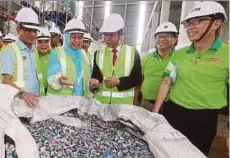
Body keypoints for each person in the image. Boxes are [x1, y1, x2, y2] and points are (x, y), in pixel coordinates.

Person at [153, 1, 229, 156]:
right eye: (188, 23)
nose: (190, 27)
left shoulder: (227, 54)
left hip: (204, 120)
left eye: (197, 21)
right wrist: (155, 112)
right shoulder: (179, 54)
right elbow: (166, 81)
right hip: (173, 112)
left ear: (216, 23)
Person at [90, 13, 142, 104]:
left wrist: (119, 82)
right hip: (101, 103)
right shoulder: (98, 53)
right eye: (105, 35)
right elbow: (96, 75)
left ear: (121, 33)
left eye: (111, 35)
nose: (107, 39)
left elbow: (137, 78)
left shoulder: (133, 53)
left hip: (123, 105)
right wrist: (95, 81)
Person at [0, 7, 40, 108]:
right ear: (19, 29)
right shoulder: (9, 50)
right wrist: (23, 94)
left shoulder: (34, 52)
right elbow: (6, 81)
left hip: (33, 102)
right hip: (16, 103)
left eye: (35, 31)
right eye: (28, 30)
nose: (32, 34)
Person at [134, 22, 178, 110]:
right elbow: (139, 80)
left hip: (168, 104)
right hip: (146, 102)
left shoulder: (178, 58)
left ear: (175, 39)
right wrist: (135, 99)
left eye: (166, 36)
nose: (161, 39)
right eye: (159, 36)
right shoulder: (147, 58)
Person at [47, 19, 91, 97]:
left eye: (80, 37)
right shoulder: (56, 53)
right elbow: (50, 78)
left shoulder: (85, 55)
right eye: (73, 37)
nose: (77, 41)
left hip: (81, 103)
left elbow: (88, 78)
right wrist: (59, 80)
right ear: (67, 37)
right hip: (61, 104)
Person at [35, 27, 52, 96]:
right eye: (40, 42)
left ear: (50, 42)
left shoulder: (56, 56)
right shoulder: (32, 56)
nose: (43, 44)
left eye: (46, 41)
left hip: (52, 92)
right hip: (36, 93)